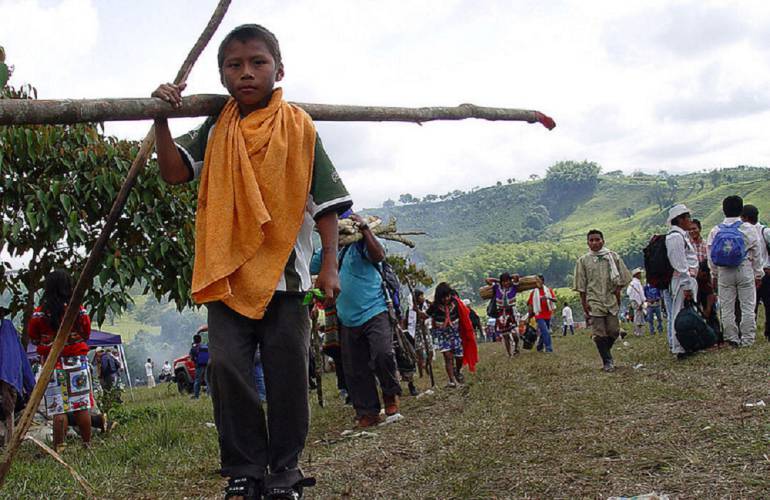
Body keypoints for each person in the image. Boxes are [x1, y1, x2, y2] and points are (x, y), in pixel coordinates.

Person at [153, 23, 352, 496]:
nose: (246, 73)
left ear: (278, 69)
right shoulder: (217, 128)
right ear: (222, 75)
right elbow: (175, 171)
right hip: (228, 277)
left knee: (287, 376)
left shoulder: (299, 128)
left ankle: (284, 471)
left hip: (286, 281)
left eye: (257, 63)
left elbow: (325, 205)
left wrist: (329, 266)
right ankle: (244, 471)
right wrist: (159, 117)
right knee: (226, 370)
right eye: (234, 65)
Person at [335, 213, 402, 428]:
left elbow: (378, 256)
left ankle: (390, 397)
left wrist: (365, 230)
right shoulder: (334, 250)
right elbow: (315, 266)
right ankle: (368, 412)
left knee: (383, 354)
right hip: (346, 316)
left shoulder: (367, 242)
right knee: (355, 368)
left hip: (375, 310)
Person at [28, 270, 93, 451]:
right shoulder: (78, 310)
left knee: (59, 409)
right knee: (82, 405)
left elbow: (34, 339)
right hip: (77, 363)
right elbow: (86, 334)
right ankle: (87, 445)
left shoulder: (40, 314)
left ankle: (59, 448)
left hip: (52, 365)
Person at [707, 196, 763, 348]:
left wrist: (714, 274)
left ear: (723, 210)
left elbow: (710, 255)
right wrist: (758, 274)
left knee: (727, 307)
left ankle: (732, 339)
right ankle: (748, 339)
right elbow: (757, 253)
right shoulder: (748, 228)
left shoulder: (715, 230)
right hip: (744, 268)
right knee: (747, 306)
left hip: (724, 271)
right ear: (741, 210)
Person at [574, 230, 632, 371]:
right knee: (600, 333)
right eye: (591, 240)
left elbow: (622, 280)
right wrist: (584, 304)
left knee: (613, 331)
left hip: (610, 299)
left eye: (597, 239)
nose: (595, 243)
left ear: (603, 241)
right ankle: (607, 361)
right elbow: (581, 286)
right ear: (587, 243)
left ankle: (605, 351)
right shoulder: (583, 261)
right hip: (594, 300)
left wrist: (618, 296)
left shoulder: (613, 257)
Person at [666, 204, 701, 358]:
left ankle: (687, 343)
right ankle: (679, 347)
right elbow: (679, 263)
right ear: (680, 219)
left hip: (687, 279)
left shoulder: (681, 235)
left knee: (685, 313)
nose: (689, 221)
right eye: (687, 218)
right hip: (681, 281)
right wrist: (686, 284)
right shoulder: (675, 237)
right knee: (678, 313)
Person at [426, 283, 477, 387]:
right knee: (448, 357)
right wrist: (417, 311)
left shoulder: (456, 303)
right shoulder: (434, 306)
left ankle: (457, 371)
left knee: (459, 356)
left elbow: (464, 316)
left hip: (455, 333)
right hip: (443, 335)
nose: (446, 299)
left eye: (447, 296)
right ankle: (452, 380)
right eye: (443, 297)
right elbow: (426, 315)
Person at [740, 204, 770, 342]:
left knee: (750, 305)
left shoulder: (743, 231)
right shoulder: (765, 231)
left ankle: (748, 333)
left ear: (745, 217)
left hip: (751, 273)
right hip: (765, 273)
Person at [485, 273, 520, 357]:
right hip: (500, 312)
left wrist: (510, 278)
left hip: (511, 311)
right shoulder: (497, 287)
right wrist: (499, 281)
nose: (506, 283)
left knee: (514, 333)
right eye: (504, 281)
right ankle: (509, 354)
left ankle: (516, 347)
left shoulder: (513, 287)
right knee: (505, 335)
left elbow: (516, 276)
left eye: (507, 281)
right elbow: (487, 280)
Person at [527, 275, 556, 353]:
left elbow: (555, 299)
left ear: (542, 281)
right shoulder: (533, 292)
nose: (537, 282)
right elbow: (530, 304)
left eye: (538, 280)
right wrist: (529, 316)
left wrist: (547, 298)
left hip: (548, 314)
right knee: (546, 331)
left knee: (544, 332)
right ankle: (549, 348)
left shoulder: (548, 290)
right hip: (539, 315)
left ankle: (539, 346)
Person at [696, 261, 722, 345]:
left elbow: (711, 295)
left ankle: (716, 336)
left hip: (705, 294)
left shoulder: (707, 278)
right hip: (695, 291)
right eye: (703, 274)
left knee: (712, 315)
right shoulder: (694, 278)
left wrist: (708, 309)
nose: (705, 276)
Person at [626, 268, 646, 336]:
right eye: (639, 274)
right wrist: (641, 302)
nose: (640, 275)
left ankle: (637, 331)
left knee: (637, 316)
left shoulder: (631, 283)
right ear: (636, 275)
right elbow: (641, 293)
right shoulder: (637, 283)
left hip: (633, 301)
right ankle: (638, 332)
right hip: (638, 302)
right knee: (638, 317)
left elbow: (628, 292)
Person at [190, 332, 209, 399]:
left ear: (194, 340)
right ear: (200, 340)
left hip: (199, 366)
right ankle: (209, 395)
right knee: (207, 380)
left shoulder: (194, 348)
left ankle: (196, 396)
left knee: (197, 381)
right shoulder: (205, 347)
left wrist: (195, 362)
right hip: (207, 365)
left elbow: (191, 357)